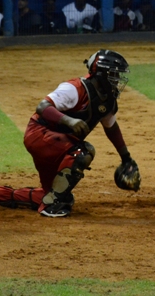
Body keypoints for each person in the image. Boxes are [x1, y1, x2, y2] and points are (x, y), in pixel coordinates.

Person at [14, 49, 137, 217]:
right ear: (101, 74)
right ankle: (52, 207)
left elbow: (112, 128)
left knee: (51, 192)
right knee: (82, 152)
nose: (117, 79)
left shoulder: (107, 99)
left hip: (59, 144)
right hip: (39, 135)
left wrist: (126, 158)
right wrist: (69, 120)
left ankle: (2, 194)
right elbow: (42, 107)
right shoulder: (74, 88)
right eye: (113, 74)